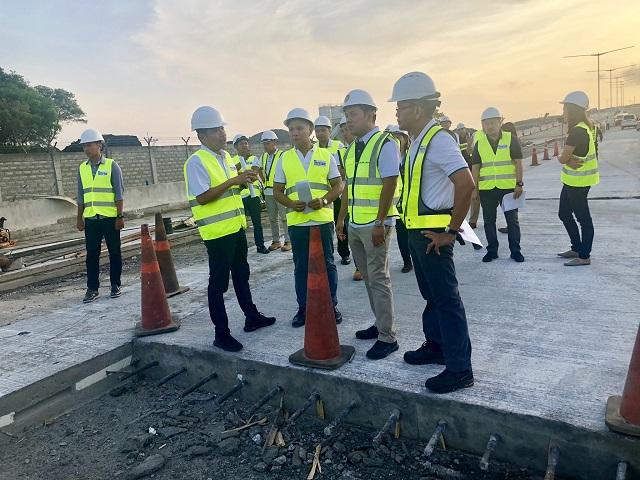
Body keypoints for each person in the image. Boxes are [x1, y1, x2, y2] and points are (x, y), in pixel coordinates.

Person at [390, 71, 475, 393]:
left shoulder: (438, 141)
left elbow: (466, 184)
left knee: (447, 300)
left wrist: (451, 231)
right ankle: (436, 346)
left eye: (401, 107)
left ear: (417, 108)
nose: (396, 112)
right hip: (419, 234)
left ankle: (460, 369)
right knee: (432, 297)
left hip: (435, 235)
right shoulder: (417, 142)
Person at [184, 106, 275, 352]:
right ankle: (221, 334)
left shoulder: (224, 157)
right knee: (219, 284)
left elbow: (228, 191)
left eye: (222, 129)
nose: (222, 134)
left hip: (235, 228)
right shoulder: (196, 162)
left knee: (242, 275)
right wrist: (234, 180)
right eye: (216, 130)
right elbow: (203, 197)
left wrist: (243, 182)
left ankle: (251, 317)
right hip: (217, 234)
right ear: (201, 135)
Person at [336, 89, 400, 360]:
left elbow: (390, 183)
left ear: (371, 114)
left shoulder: (385, 143)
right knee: (368, 279)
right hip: (355, 224)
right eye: (347, 115)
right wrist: (342, 219)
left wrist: (379, 222)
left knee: (379, 279)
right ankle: (379, 323)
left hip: (376, 225)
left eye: (353, 114)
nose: (348, 120)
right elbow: (348, 187)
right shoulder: (352, 148)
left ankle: (388, 337)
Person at [273, 108, 344, 328]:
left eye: (299, 128)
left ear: (310, 130)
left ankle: (331, 305)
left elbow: (338, 186)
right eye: (291, 129)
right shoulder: (285, 158)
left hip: (322, 220)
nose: (295, 133)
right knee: (301, 267)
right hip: (298, 221)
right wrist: (290, 203)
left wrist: (324, 200)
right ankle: (304, 308)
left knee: (328, 264)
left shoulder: (325, 156)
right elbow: (277, 191)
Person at [76, 128, 124, 303]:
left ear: (99, 145)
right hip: (91, 219)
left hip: (110, 218)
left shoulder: (112, 166)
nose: (86, 149)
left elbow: (119, 194)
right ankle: (92, 288)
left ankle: (115, 284)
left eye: (89, 145)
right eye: (84, 146)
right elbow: (81, 196)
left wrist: (120, 216)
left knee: (114, 252)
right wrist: (79, 218)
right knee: (92, 256)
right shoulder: (82, 169)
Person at [471, 108, 525, 263]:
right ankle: (492, 251)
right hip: (487, 189)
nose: (489, 126)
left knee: (512, 221)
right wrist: (474, 188)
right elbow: (475, 168)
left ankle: (515, 251)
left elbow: (518, 163)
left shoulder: (510, 139)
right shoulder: (480, 143)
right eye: (486, 123)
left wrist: (519, 184)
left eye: (492, 123)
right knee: (489, 221)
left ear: (500, 122)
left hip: (508, 188)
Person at [557, 91, 599, 266]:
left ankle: (584, 255)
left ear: (573, 110)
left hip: (578, 183)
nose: (563, 112)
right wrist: (568, 160)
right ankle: (576, 247)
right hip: (573, 181)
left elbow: (562, 158)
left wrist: (563, 159)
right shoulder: (587, 127)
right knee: (564, 213)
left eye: (565, 108)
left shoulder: (577, 132)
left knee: (584, 220)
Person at [315, 115, 350, 265]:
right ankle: (326, 254)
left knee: (340, 223)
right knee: (324, 226)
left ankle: (344, 253)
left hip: (337, 193)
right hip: (322, 194)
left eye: (323, 130)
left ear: (330, 131)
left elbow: (343, 170)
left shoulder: (338, 146)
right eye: (317, 131)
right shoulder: (314, 149)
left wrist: (331, 175)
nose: (320, 133)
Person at [231, 134, 268, 254]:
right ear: (236, 146)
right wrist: (240, 172)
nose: (244, 146)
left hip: (253, 196)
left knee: (257, 223)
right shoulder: (232, 161)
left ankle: (260, 246)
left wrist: (242, 175)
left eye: (246, 143)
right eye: (241, 144)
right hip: (239, 197)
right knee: (240, 224)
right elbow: (232, 176)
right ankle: (241, 249)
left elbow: (254, 173)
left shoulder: (254, 159)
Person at [338, 116, 363, 281]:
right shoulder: (347, 153)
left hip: (369, 209)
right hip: (352, 207)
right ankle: (359, 266)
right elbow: (347, 184)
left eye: (347, 129)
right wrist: (341, 217)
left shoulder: (370, 148)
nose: (345, 133)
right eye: (342, 131)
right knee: (355, 241)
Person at [385, 124, 413, 272]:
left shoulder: (412, 155)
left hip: (412, 200)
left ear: (405, 138)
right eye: (393, 136)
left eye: (399, 136)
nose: (396, 139)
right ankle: (407, 261)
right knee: (402, 233)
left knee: (414, 233)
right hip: (397, 203)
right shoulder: (387, 157)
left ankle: (417, 258)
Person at [259, 130, 291, 252]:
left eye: (267, 143)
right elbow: (260, 170)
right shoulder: (263, 157)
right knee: (272, 219)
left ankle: (288, 241)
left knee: (285, 217)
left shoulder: (283, 155)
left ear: (274, 142)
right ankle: (276, 241)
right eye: (264, 144)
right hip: (268, 192)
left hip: (281, 192)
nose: (265, 146)